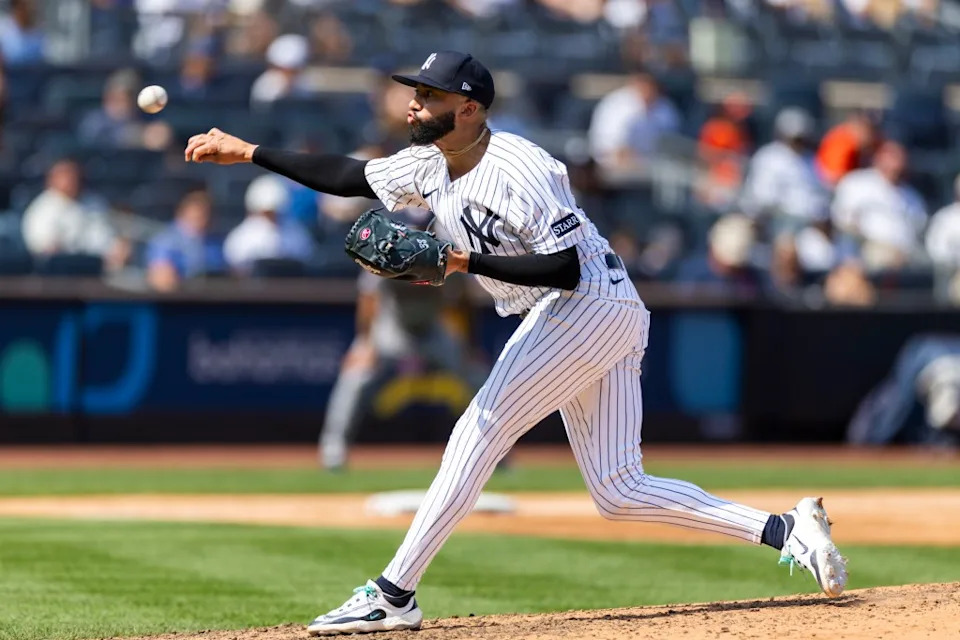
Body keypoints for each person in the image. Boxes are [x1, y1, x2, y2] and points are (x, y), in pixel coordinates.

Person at [184, 50, 847, 636]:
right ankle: (785, 530)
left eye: (430, 96)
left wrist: (459, 263)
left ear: (468, 109)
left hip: (583, 304)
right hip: (602, 312)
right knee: (618, 488)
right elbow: (351, 175)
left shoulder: (520, 166)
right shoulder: (432, 162)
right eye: (415, 94)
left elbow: (565, 268)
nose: (414, 104)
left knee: (477, 432)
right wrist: (248, 152)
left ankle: (392, 596)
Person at [319, 208, 482, 471]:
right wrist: (365, 343)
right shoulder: (387, 248)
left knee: (477, 378)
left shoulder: (449, 251)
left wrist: (469, 346)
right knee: (356, 377)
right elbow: (368, 298)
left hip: (432, 328)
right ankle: (334, 448)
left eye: (425, 232)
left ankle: (495, 452)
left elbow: (464, 301)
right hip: (392, 328)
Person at [21, 159, 130, 271]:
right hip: (61, 274)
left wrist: (118, 249)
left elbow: (106, 238)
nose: (71, 179)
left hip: (99, 268)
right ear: (52, 179)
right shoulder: (42, 208)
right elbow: (45, 251)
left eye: (74, 174)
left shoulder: (94, 203)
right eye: (65, 174)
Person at [223, 174, 316, 274]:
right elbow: (236, 265)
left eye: (275, 213)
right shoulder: (241, 237)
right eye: (266, 213)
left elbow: (307, 256)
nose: (272, 217)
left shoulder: (295, 232)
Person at [146, 190, 225, 292]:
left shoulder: (214, 242)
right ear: (182, 214)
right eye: (196, 217)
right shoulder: (165, 240)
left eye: (205, 216)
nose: (201, 222)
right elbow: (159, 278)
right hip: (177, 301)